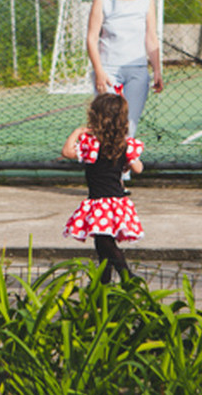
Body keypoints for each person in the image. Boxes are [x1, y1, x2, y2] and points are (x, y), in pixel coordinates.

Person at [61, 94, 145, 283]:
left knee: (105, 242)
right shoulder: (124, 145)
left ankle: (126, 276)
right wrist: (127, 161)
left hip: (99, 202)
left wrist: (78, 131)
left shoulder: (91, 146)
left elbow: (67, 151)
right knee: (102, 244)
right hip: (116, 201)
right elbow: (138, 168)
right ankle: (103, 283)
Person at [86, 0, 164, 138]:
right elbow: (91, 38)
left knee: (128, 127)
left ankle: (123, 169)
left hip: (136, 72)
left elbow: (151, 38)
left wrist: (156, 70)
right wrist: (99, 72)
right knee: (107, 126)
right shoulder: (102, 0)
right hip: (108, 71)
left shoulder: (146, 0)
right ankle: (104, 168)